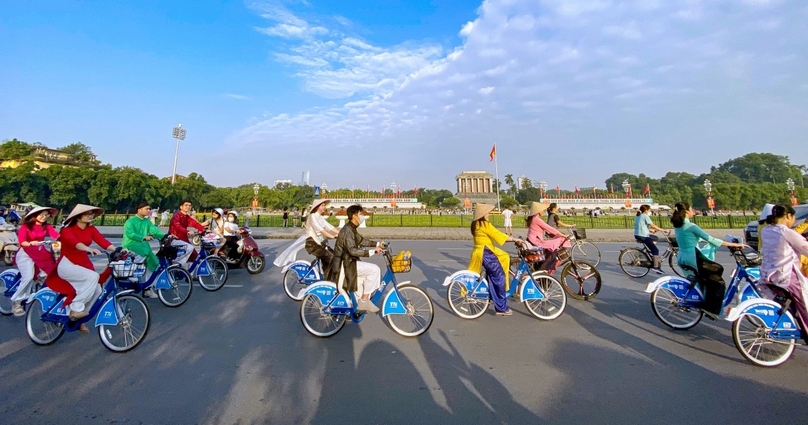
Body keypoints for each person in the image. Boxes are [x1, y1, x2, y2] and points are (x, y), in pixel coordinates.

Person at [46, 204, 116, 334]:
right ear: (77, 217)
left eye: (91, 214)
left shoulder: (91, 229)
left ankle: (79, 319)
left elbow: (103, 241)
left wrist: (118, 249)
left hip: (82, 264)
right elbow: (75, 243)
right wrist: (88, 249)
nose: (90, 216)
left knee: (98, 290)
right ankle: (75, 308)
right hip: (67, 265)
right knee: (93, 277)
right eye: (86, 213)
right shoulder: (67, 230)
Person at [760, 205, 808, 337]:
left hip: (768, 275)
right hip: (786, 277)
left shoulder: (766, 230)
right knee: (805, 304)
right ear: (788, 216)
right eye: (794, 217)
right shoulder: (786, 232)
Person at [326, 204, 384, 313]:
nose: (361, 216)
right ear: (354, 216)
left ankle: (359, 300)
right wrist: (373, 251)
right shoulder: (348, 230)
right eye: (360, 214)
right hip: (345, 264)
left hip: (349, 261)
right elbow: (352, 250)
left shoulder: (351, 228)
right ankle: (364, 300)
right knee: (374, 269)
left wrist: (378, 244)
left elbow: (361, 241)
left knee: (369, 273)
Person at [468, 203, 524, 316]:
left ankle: (495, 291)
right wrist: (514, 239)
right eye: (487, 212)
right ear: (483, 214)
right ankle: (501, 308)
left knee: (504, 256)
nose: (489, 213)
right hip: (486, 253)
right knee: (499, 277)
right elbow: (497, 234)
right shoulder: (484, 224)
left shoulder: (476, 224)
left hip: (483, 251)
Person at [10, 206, 60, 316]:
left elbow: (56, 236)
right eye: (41, 214)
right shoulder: (25, 227)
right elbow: (22, 242)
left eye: (46, 215)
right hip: (25, 254)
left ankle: (47, 298)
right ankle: (16, 301)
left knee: (50, 273)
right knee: (28, 277)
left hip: (40, 253)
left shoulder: (46, 226)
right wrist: (30, 243)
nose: (44, 217)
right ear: (34, 216)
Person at [670, 202, 745, 274]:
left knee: (694, 283)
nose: (693, 211)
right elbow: (711, 239)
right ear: (686, 212)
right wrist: (735, 244)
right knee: (716, 271)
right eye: (691, 209)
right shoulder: (691, 226)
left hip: (681, 257)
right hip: (693, 258)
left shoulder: (678, 226)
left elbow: (694, 239)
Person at [121, 201, 165, 298]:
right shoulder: (130, 221)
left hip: (143, 247)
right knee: (140, 260)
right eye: (147, 209)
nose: (149, 211)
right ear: (139, 210)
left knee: (153, 264)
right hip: (131, 245)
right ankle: (130, 280)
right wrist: (143, 237)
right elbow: (130, 234)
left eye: (149, 209)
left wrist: (165, 236)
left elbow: (154, 231)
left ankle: (147, 288)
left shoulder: (147, 221)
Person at [525, 202, 571, 274]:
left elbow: (547, 228)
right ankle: (544, 270)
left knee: (551, 249)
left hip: (534, 240)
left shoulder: (534, 218)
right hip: (535, 241)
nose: (543, 211)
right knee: (554, 251)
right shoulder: (536, 219)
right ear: (538, 211)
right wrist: (562, 235)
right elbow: (548, 228)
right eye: (542, 210)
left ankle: (543, 269)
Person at [168, 199, 209, 267]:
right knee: (190, 248)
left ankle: (191, 275)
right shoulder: (176, 216)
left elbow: (195, 224)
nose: (188, 207)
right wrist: (188, 231)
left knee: (195, 257)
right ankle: (176, 263)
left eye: (189, 205)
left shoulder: (187, 217)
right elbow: (178, 227)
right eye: (186, 205)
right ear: (181, 207)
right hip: (174, 239)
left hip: (184, 240)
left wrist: (204, 230)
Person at [634, 204, 670, 274]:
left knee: (655, 238)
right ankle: (655, 267)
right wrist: (663, 230)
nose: (650, 210)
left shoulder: (638, 216)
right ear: (646, 210)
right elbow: (652, 225)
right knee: (655, 250)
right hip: (643, 236)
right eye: (649, 209)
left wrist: (650, 230)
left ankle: (648, 253)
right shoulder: (645, 216)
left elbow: (641, 226)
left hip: (638, 235)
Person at [305, 199, 339, 270]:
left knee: (335, 257)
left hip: (321, 243)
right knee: (332, 257)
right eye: (322, 205)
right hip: (312, 244)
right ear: (317, 207)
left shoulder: (320, 217)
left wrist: (341, 233)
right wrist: (332, 236)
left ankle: (328, 278)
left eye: (325, 206)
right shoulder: (312, 216)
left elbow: (329, 227)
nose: (324, 207)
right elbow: (320, 229)